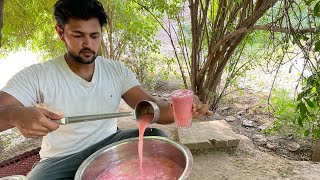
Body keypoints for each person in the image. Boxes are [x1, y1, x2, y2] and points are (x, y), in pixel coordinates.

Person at [0, 0, 212, 179]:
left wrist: (182, 108)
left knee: (156, 135)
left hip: (109, 146)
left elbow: (152, 108)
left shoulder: (116, 71)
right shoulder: (38, 75)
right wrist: (14, 114)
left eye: (94, 35)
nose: (88, 44)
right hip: (61, 158)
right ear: (60, 33)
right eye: (78, 35)